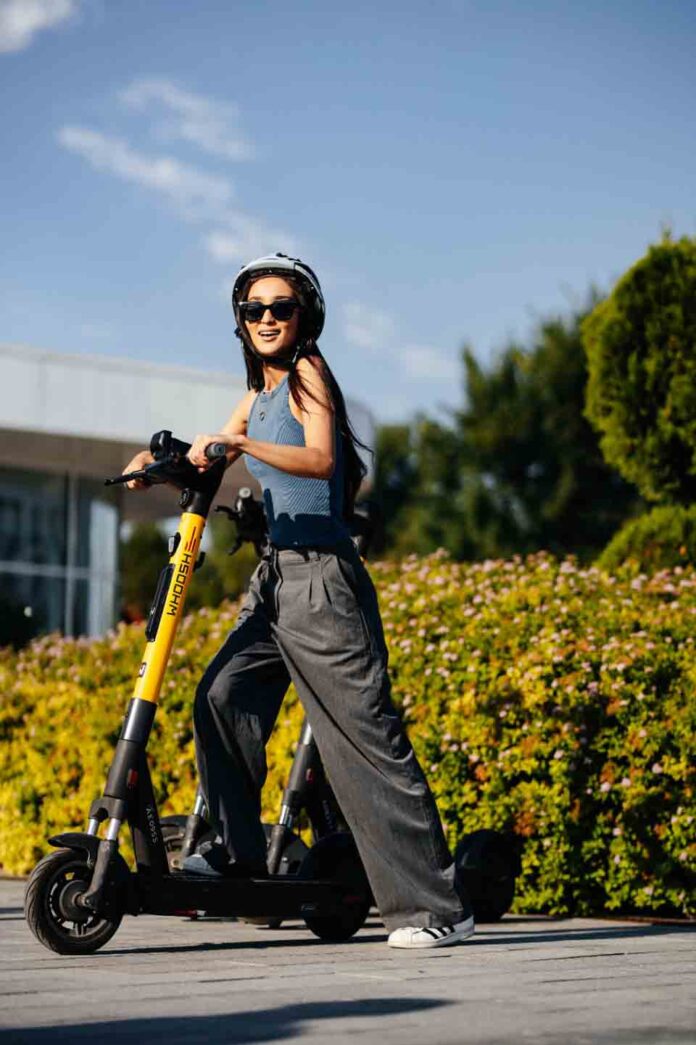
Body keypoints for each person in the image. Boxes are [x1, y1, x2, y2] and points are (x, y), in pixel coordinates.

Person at [123, 253, 473, 949]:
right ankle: (238, 851)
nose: (267, 319)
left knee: (364, 738)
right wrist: (153, 466)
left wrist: (242, 442)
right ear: (240, 320)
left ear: (303, 314)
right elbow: (207, 456)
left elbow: (317, 458)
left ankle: (435, 907)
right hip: (274, 579)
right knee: (222, 692)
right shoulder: (254, 395)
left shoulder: (310, 373)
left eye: (281, 307)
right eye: (255, 309)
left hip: (322, 579)